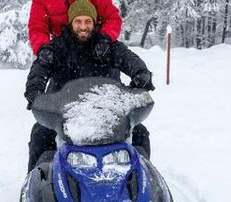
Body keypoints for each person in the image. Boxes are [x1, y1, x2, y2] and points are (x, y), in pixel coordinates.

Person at [24, 0, 155, 173]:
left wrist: (141, 74)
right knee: (40, 136)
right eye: (78, 22)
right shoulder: (58, 48)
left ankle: (143, 177)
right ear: (70, 23)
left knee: (140, 134)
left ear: (95, 22)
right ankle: (34, 180)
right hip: (64, 107)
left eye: (87, 22)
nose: (83, 27)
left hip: (108, 105)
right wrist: (34, 89)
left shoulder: (107, 47)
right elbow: (39, 68)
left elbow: (128, 58)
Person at [28, 0, 122, 63]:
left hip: (95, 45)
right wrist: (43, 48)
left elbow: (112, 18)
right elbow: (37, 28)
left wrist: (104, 38)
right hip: (63, 53)